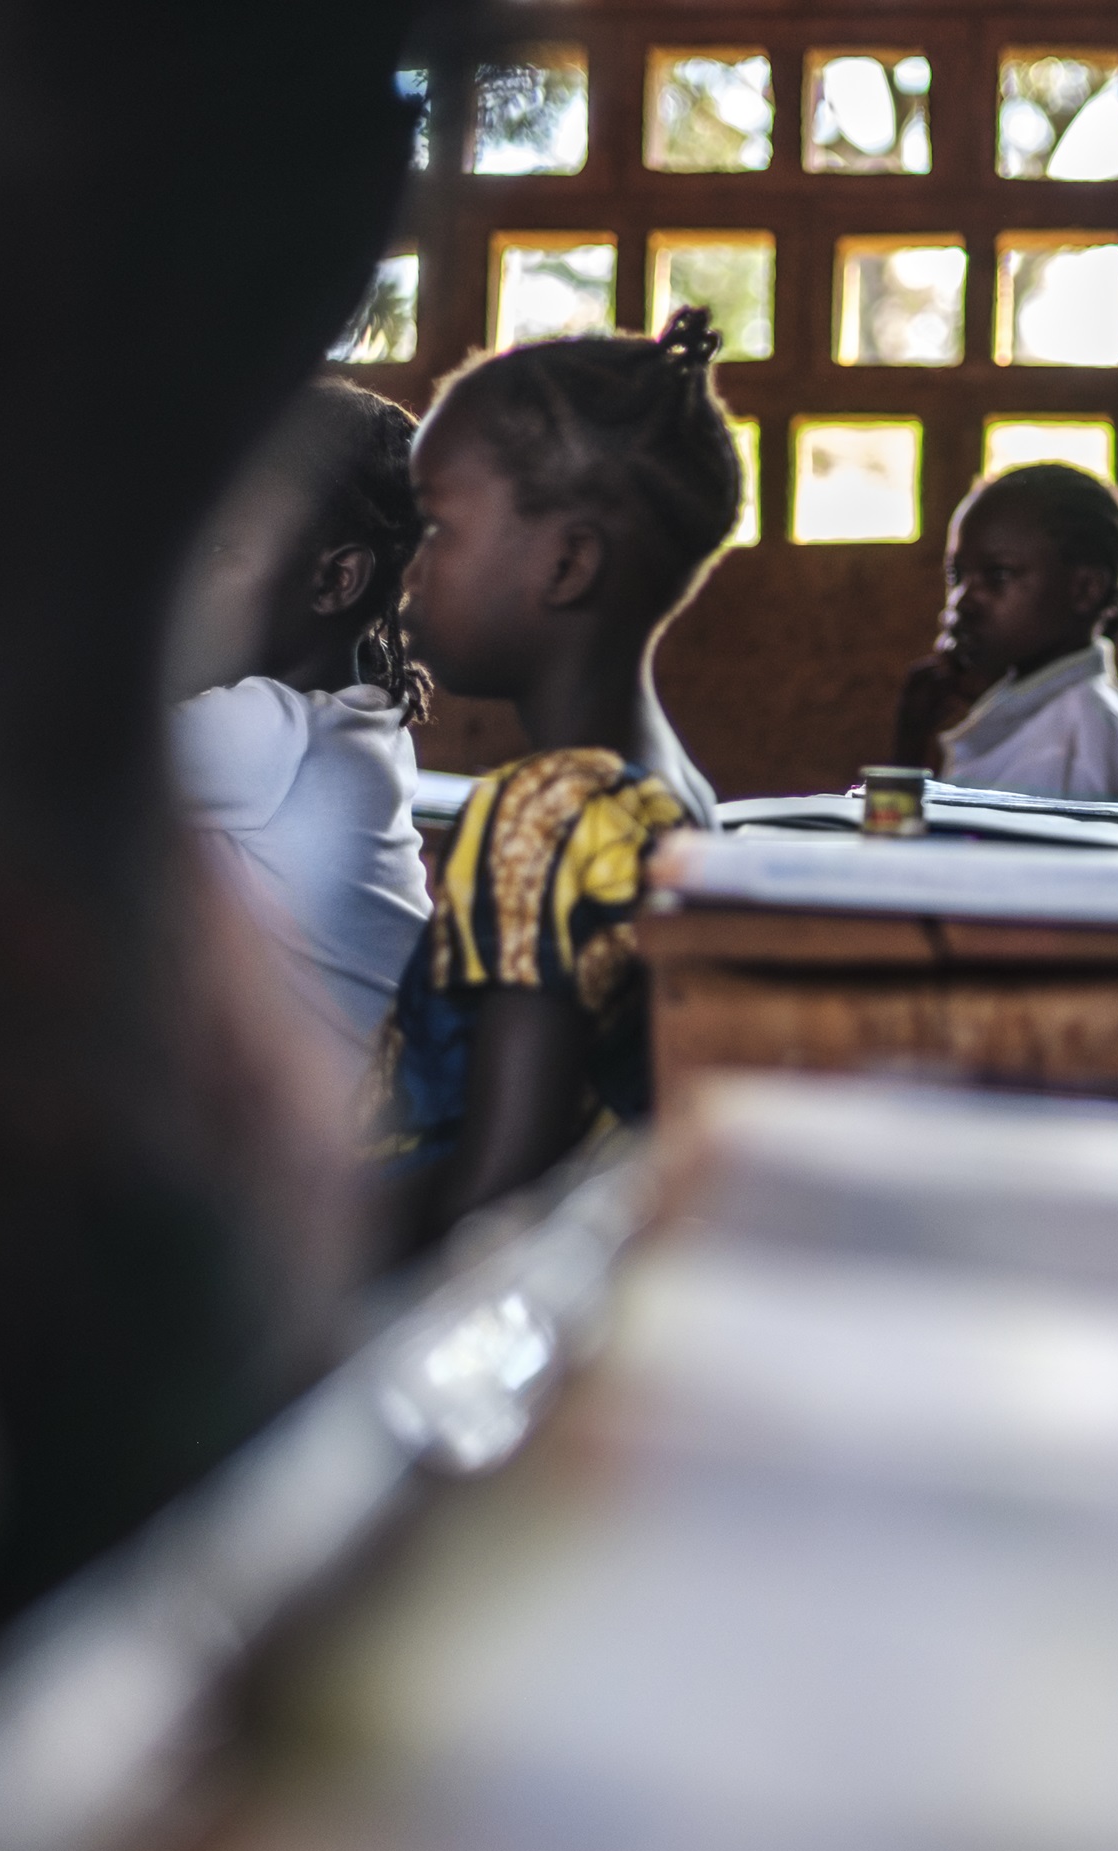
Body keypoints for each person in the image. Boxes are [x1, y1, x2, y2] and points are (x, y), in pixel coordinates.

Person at [377, 307, 738, 1249]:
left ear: (569, 561)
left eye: (434, 527)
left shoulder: (541, 811)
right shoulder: (675, 791)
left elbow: (496, 1188)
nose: (409, 572)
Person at [166, 378, 435, 1082]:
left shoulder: (263, 730)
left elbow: (42, 752)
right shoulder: (354, 715)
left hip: (358, 1144)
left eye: (220, 550)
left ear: (335, 580)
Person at [888, 463, 1118, 802]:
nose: (961, 601)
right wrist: (911, 742)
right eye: (957, 576)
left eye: (998, 576)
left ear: (1085, 590)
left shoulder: (1075, 730)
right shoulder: (1040, 704)